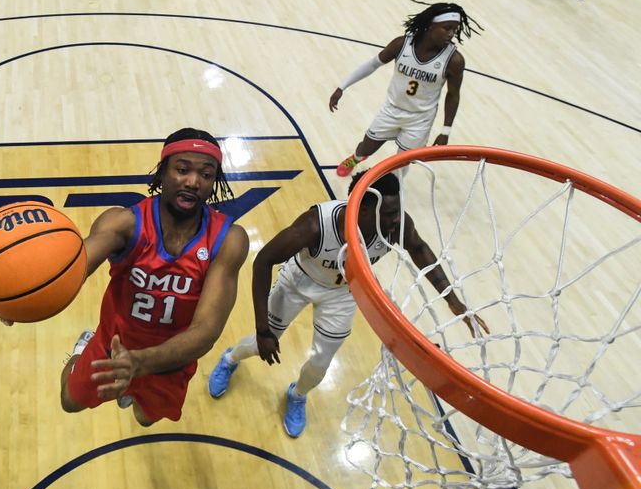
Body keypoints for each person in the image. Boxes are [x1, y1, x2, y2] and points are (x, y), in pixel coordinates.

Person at [0, 128, 249, 426]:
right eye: (182, 169)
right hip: (111, 346)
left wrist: (139, 363)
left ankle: (134, 390)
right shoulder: (123, 223)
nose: (193, 181)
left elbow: (206, 330)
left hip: (171, 360)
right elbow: (73, 265)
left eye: (206, 174)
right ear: (163, 171)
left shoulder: (229, 240)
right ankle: (81, 348)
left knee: (145, 419)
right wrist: (8, 288)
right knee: (69, 402)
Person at [208, 172, 488, 437]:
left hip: (342, 292)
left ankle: (297, 395)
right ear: (363, 210)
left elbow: (418, 248)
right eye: (389, 213)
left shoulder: (396, 224)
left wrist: (454, 301)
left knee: (320, 362)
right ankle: (230, 359)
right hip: (299, 281)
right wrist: (263, 330)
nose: (396, 219)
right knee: (262, 343)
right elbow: (263, 260)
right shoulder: (316, 225)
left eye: (396, 211)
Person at [330, 2, 481, 177]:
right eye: (447, 28)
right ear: (431, 25)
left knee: (400, 168)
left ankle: (389, 194)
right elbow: (372, 64)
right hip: (391, 110)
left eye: (454, 30)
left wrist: (445, 131)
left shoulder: (454, 61)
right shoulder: (401, 44)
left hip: (420, 119)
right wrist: (342, 86)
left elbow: (453, 95)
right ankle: (355, 158)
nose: (451, 34)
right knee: (367, 146)